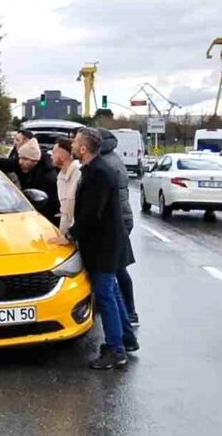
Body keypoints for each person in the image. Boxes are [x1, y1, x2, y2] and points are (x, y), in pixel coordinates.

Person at [68, 128, 138, 370]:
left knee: (106, 295)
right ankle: (127, 339)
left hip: (103, 246)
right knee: (113, 293)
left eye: (75, 142)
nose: (72, 145)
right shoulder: (97, 169)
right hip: (110, 243)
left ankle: (116, 350)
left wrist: (70, 234)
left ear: (84, 149)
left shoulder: (98, 173)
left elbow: (91, 215)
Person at [98, 128, 139, 326]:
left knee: (116, 267)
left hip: (119, 219)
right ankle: (128, 310)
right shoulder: (110, 157)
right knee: (116, 266)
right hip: (122, 217)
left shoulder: (106, 163)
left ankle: (129, 312)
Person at [0, 138, 60, 222]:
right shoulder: (21, 164)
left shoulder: (48, 177)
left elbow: (49, 205)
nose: (20, 161)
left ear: (34, 161)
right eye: (20, 158)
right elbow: (1, 163)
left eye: (24, 159)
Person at [49, 137, 80, 244]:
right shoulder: (60, 177)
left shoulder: (79, 174)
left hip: (82, 236)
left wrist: (69, 236)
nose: (51, 156)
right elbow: (64, 213)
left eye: (53, 152)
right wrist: (63, 236)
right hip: (71, 236)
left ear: (62, 156)